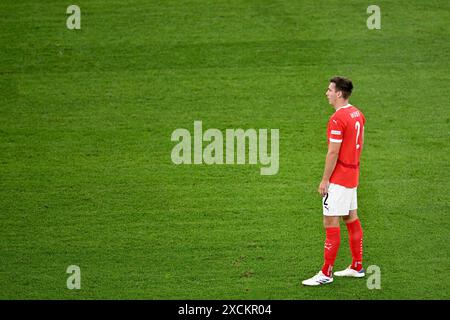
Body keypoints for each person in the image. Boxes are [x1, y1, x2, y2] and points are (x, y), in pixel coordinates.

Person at [302, 76, 366, 286]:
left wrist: (325, 180)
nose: (327, 93)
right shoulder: (357, 113)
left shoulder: (337, 119)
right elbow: (361, 141)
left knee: (331, 222)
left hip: (339, 178)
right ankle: (357, 266)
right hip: (353, 174)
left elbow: (332, 153)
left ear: (339, 93)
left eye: (330, 90)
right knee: (350, 217)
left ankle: (326, 273)